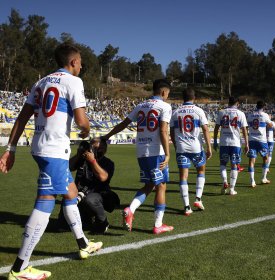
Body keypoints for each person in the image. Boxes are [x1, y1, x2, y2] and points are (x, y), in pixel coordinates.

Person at [0, 43, 102, 280]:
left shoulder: (40, 82)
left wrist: (10, 149)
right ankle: (19, 268)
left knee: (70, 192)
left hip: (41, 146)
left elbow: (23, 117)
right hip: (54, 149)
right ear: (74, 62)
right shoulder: (74, 82)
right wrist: (86, 129)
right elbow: (81, 120)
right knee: (45, 201)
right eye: (81, 62)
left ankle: (83, 243)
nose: (82, 66)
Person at [102, 79, 174, 235]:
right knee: (161, 186)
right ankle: (158, 224)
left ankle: (130, 209)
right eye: (168, 93)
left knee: (149, 186)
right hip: (156, 152)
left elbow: (123, 124)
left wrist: (107, 136)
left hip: (141, 152)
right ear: (163, 92)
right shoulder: (165, 106)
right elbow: (163, 131)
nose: (168, 96)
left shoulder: (140, 106)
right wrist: (168, 154)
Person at [170, 88, 212, 215]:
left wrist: (176, 145)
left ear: (183, 97)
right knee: (201, 170)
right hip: (196, 147)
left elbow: (171, 131)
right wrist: (209, 147)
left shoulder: (176, 112)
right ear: (194, 98)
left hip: (182, 147)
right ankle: (198, 199)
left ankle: (187, 207)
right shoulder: (199, 111)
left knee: (183, 176)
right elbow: (205, 129)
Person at [69, 137, 119, 233]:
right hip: (79, 193)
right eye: (91, 146)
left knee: (90, 200)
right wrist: (78, 154)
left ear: (104, 150)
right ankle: (87, 217)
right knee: (64, 224)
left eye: (96, 148)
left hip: (100, 194)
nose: (92, 149)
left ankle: (102, 221)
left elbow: (103, 177)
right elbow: (68, 167)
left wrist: (92, 161)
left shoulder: (108, 163)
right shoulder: (83, 159)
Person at [213, 96, 248, 195]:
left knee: (223, 164)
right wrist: (247, 144)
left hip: (224, 143)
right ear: (237, 103)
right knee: (234, 165)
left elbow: (216, 128)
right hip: (235, 143)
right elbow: (244, 130)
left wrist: (215, 141)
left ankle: (224, 181)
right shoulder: (241, 113)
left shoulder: (221, 112)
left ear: (229, 102)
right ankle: (232, 189)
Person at [246, 101, 272, 188]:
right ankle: (264, 178)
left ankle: (252, 181)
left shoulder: (250, 115)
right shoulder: (265, 115)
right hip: (262, 140)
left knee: (251, 160)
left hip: (252, 140)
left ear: (256, 106)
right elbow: (270, 125)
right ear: (263, 107)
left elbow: (246, 126)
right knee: (265, 158)